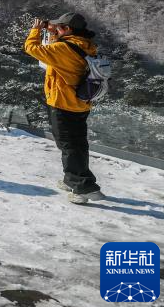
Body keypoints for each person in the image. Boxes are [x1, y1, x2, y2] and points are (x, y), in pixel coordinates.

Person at [24, 13, 104, 204]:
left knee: (69, 145)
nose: (55, 29)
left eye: (59, 27)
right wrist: (54, 33)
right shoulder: (84, 45)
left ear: (67, 29)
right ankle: (72, 179)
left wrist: (36, 29)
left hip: (63, 103)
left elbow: (31, 48)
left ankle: (83, 187)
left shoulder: (63, 48)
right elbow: (56, 54)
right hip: (80, 103)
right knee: (77, 144)